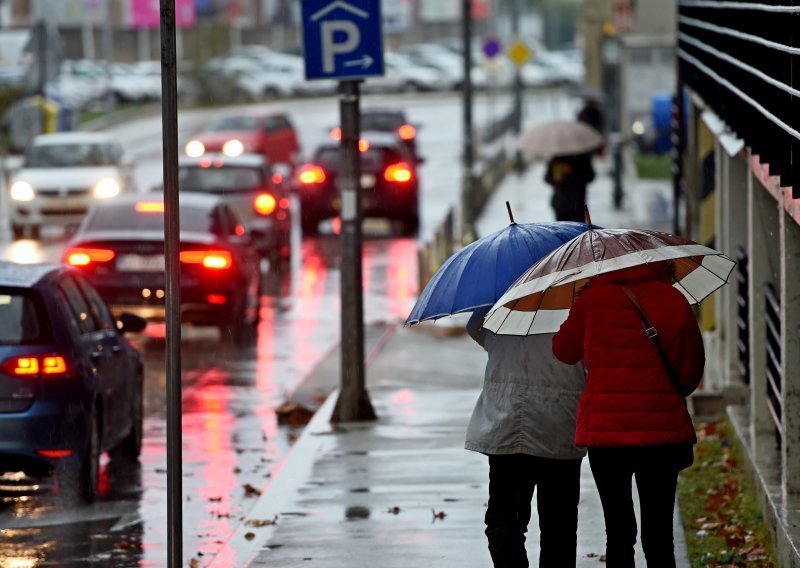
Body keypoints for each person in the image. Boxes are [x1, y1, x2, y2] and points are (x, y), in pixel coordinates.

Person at [551, 263, 705, 567]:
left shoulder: (592, 299)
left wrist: (580, 305)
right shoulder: (674, 300)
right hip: (662, 431)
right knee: (659, 533)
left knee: (618, 530)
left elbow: (563, 351)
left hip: (606, 435)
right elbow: (691, 369)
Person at [466, 305, 587, 568]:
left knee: (504, 520)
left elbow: (476, 329)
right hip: (560, 423)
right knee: (560, 526)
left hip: (506, 423)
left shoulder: (502, 296)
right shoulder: (577, 296)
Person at [544, 153, 595, 222]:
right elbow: (547, 178)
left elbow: (590, 176)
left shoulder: (582, 158)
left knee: (579, 229)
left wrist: (572, 172)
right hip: (560, 203)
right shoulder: (556, 159)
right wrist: (555, 179)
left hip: (578, 202)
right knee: (562, 229)